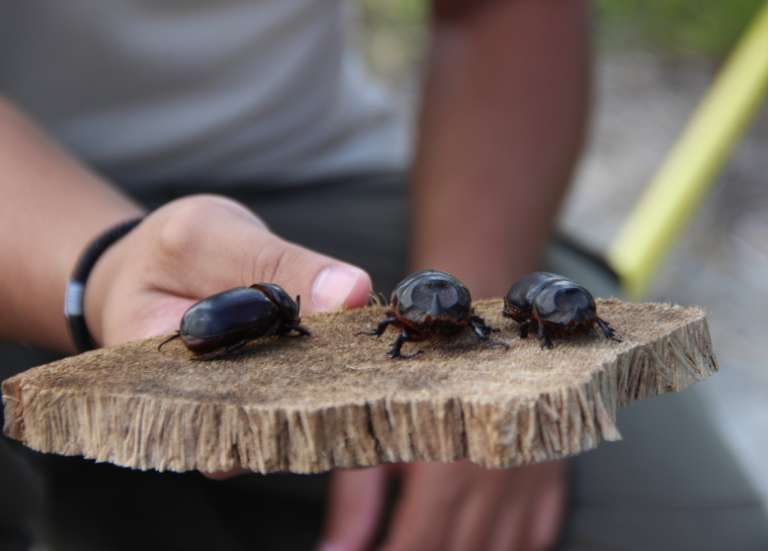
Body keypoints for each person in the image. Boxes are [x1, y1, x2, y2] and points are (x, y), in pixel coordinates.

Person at [2, 1, 767, 550]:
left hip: (323, 178)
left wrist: (482, 392)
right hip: (31, 214)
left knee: (701, 526)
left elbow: (505, 14)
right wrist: (102, 270)